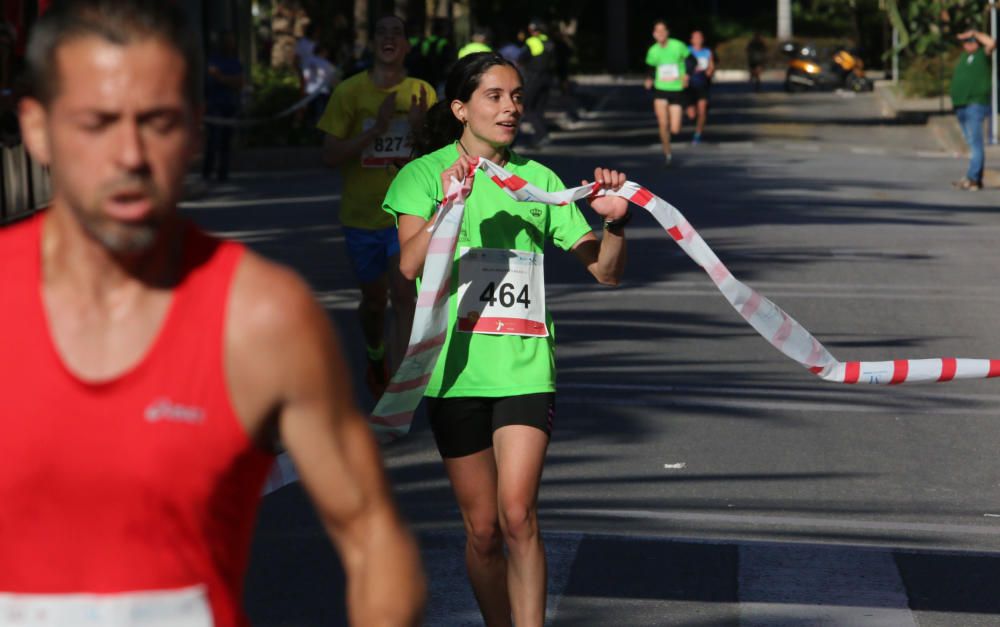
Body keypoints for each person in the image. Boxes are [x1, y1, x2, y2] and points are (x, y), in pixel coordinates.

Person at [4, 2, 425, 626]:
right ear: (36, 128)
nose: (129, 155)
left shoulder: (262, 317)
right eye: (95, 122)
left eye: (158, 122)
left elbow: (372, 537)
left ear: (198, 129)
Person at [384, 52, 630, 627]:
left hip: (523, 367)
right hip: (452, 372)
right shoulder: (422, 176)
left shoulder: (538, 182)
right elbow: (408, 266)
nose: (510, 107)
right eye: (494, 96)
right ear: (461, 109)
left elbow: (607, 271)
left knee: (519, 515)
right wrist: (450, 204)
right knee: (484, 530)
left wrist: (614, 222)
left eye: (516, 96)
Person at [318, 15, 434, 400]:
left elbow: (439, 158)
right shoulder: (349, 93)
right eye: (381, 33)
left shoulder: (422, 92)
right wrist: (375, 130)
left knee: (404, 297)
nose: (388, 39)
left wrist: (419, 128)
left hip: (407, 216)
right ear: (372, 44)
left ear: (406, 46)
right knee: (372, 301)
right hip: (361, 217)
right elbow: (331, 155)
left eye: (396, 33)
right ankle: (375, 354)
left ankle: (397, 395)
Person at [950, 28, 996, 191]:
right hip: (960, 104)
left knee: (976, 143)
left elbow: (991, 43)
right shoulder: (965, 57)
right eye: (966, 42)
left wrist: (974, 34)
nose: (968, 44)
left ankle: (974, 178)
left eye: (971, 42)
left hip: (975, 104)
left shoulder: (982, 56)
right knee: (971, 142)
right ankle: (973, 176)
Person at [644, 20, 689, 166]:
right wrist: (649, 79)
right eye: (657, 31)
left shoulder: (678, 45)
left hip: (676, 89)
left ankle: (673, 130)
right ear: (654, 34)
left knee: (675, 128)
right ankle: (667, 153)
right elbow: (650, 69)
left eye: (663, 30)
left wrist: (686, 75)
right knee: (663, 124)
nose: (660, 33)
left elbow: (691, 61)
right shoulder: (653, 50)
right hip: (660, 89)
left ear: (667, 32)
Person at [203, 31, 243, 182]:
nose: (229, 44)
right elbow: (211, 78)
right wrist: (227, 80)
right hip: (215, 105)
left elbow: (239, 83)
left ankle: (223, 173)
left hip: (230, 104)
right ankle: (207, 172)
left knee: (226, 140)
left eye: (231, 41)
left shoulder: (235, 62)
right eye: (227, 41)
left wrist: (221, 78)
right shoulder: (214, 61)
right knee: (213, 139)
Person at [520, 18, 556, 147]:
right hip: (548, 78)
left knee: (527, 107)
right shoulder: (549, 42)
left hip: (535, 77)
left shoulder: (532, 41)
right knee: (539, 109)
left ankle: (541, 135)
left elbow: (522, 58)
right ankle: (541, 135)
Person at [685, 30, 715, 145]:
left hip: (703, 84)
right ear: (691, 40)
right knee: (692, 114)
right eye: (695, 38)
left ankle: (698, 134)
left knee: (702, 111)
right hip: (689, 86)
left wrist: (709, 71)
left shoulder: (707, 52)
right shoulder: (687, 51)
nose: (697, 40)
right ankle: (693, 118)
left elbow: (711, 66)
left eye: (700, 38)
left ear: (703, 39)